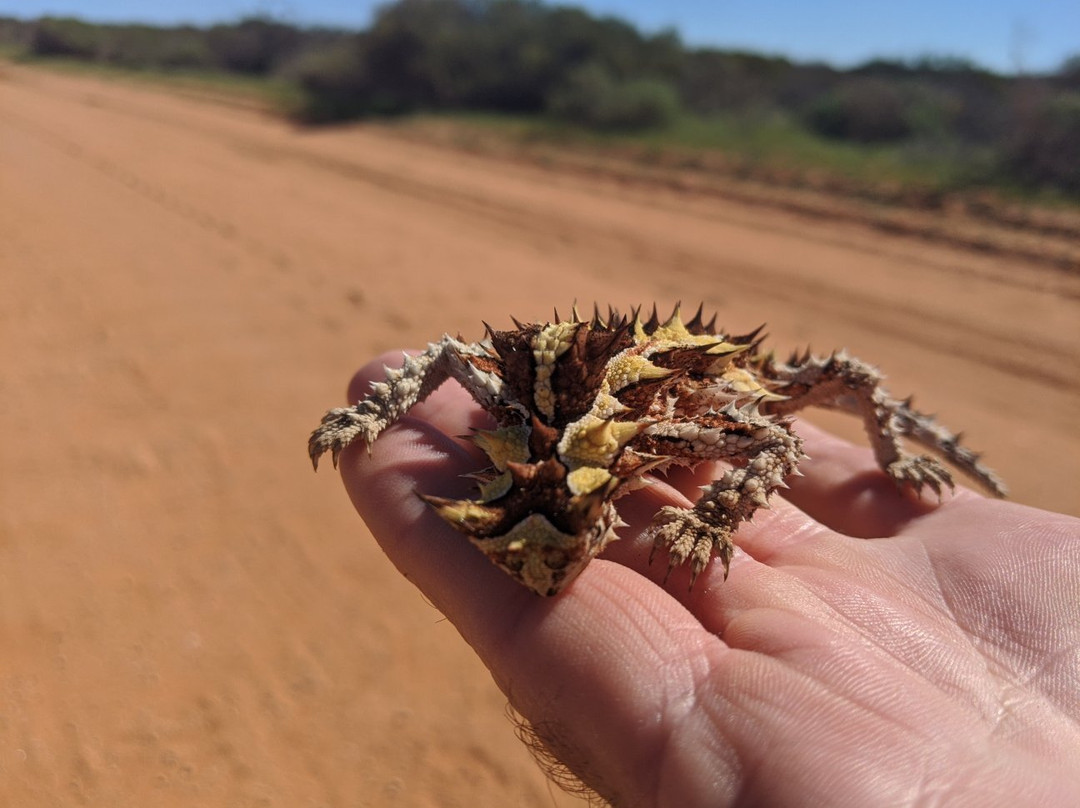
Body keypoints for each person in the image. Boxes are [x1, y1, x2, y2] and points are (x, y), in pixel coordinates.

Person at [333, 354, 1080, 807]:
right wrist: (378, 409)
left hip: (694, 381)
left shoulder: (669, 431)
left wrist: (717, 516)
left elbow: (776, 438)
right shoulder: (517, 414)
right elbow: (450, 355)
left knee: (843, 378)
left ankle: (902, 451)